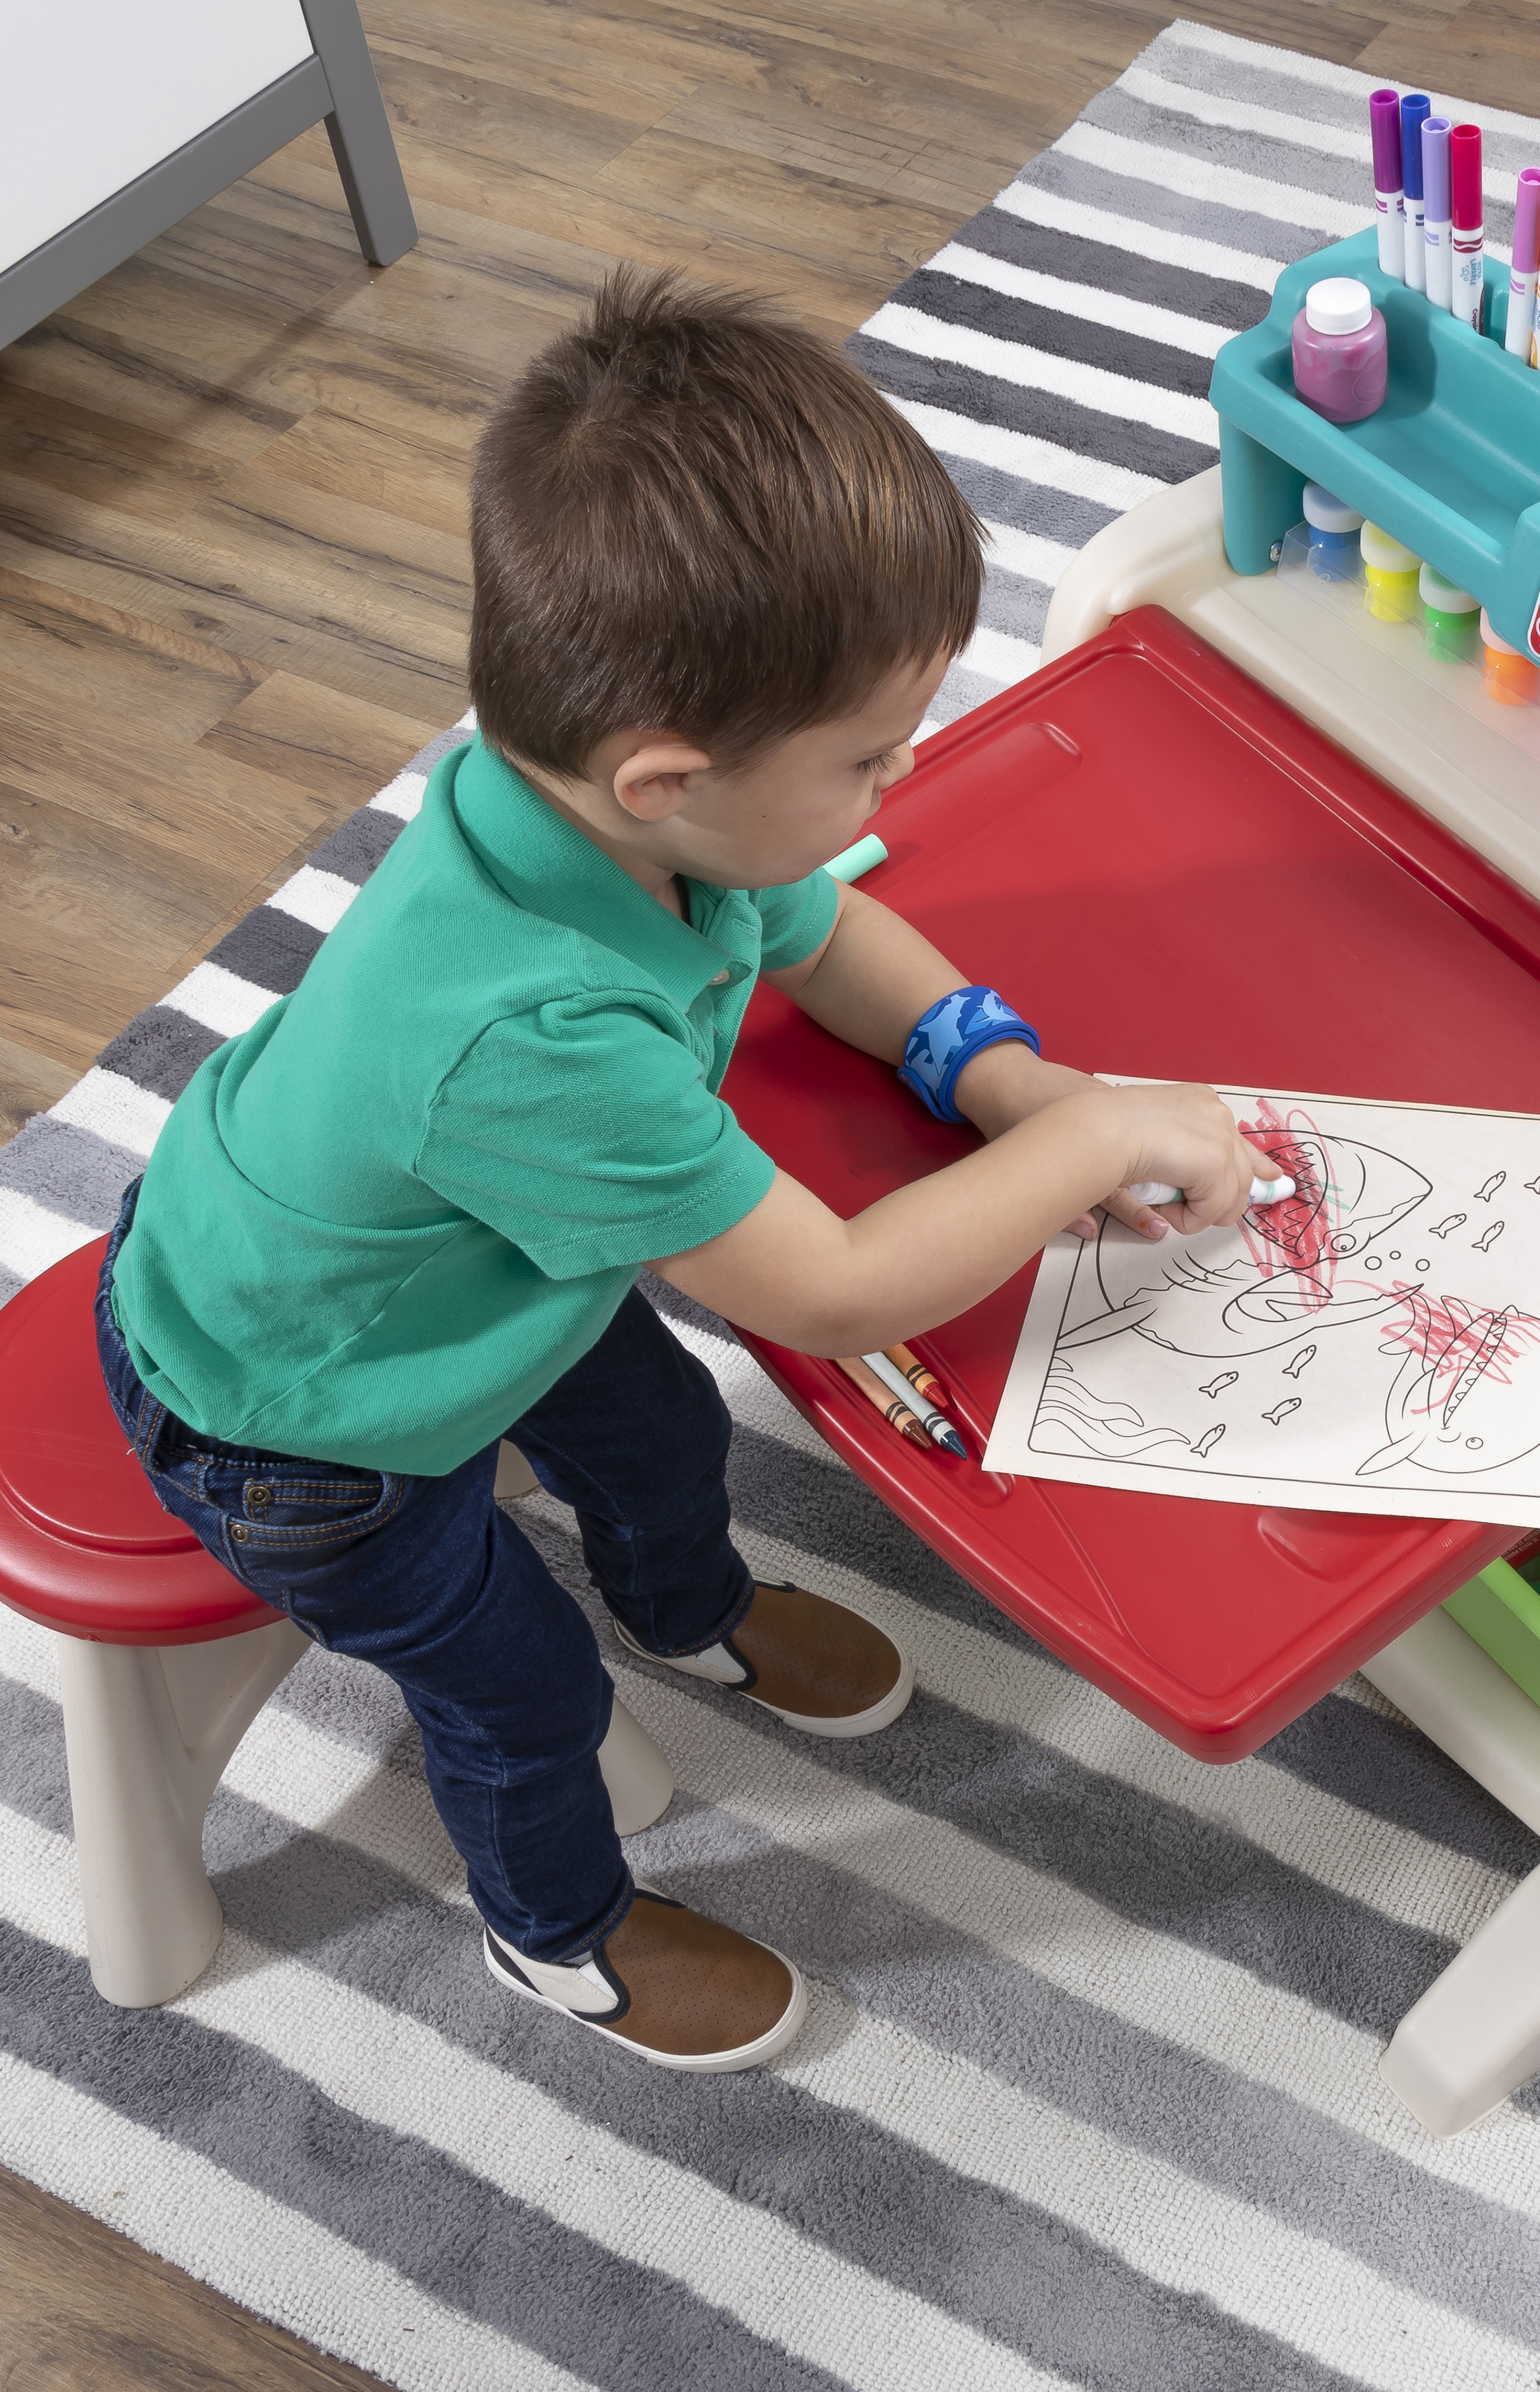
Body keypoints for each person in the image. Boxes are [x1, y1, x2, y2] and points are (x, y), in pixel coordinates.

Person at [95, 269, 1275, 2074]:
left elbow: (830, 932)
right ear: (663, 777)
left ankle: (690, 1609)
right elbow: (836, 1292)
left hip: (466, 1284)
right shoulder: (530, 1034)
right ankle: (555, 1932)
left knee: (659, 1434)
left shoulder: (614, 811)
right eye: (866, 756)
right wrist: (1095, 1140)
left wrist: (1014, 1082)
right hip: (302, 1426)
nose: (900, 776)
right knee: (521, 1689)